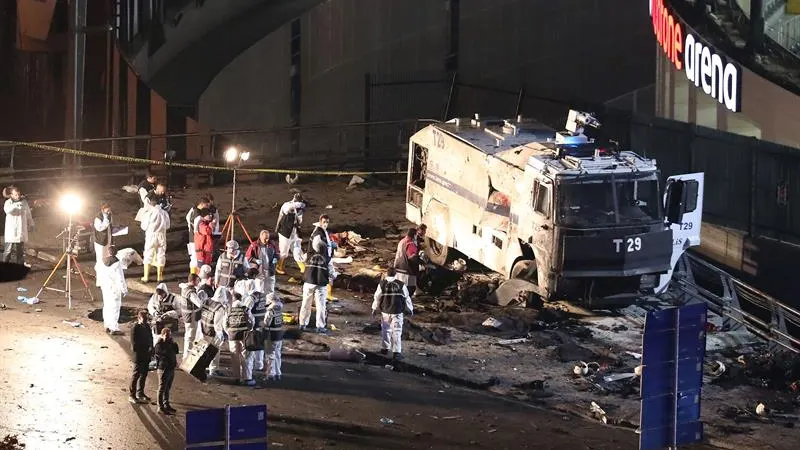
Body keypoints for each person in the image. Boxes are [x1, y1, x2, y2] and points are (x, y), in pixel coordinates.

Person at [371, 267, 414, 361]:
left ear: (387, 274)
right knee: (397, 332)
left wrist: (374, 309)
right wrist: (410, 309)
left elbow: (377, 297)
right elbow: (407, 298)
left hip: (385, 311)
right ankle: (396, 352)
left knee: (385, 330)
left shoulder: (382, 284)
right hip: (397, 311)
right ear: (395, 274)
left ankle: (385, 349)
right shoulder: (401, 284)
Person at [299, 215, 332, 333]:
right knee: (320, 304)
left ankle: (303, 323)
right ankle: (320, 326)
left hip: (310, 278)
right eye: (324, 222)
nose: (326, 224)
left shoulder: (311, 251)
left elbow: (303, 257)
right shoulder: (323, 249)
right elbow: (329, 263)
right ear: (320, 221)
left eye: (327, 222)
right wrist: (332, 275)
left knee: (306, 302)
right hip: (320, 279)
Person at [224, 292, 255, 385]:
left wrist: (230, 332)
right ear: (241, 299)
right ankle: (247, 378)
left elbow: (224, 324)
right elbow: (252, 322)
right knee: (246, 357)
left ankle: (236, 377)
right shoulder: (245, 309)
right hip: (244, 336)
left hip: (232, 336)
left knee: (234, 356)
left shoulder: (228, 310)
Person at [200, 286, 229, 377]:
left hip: (204, 329)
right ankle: (214, 369)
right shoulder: (219, 308)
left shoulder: (207, 301)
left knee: (204, 350)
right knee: (214, 351)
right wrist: (220, 334)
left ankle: (202, 368)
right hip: (212, 332)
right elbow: (217, 323)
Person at [141, 197, 171, 283]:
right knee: (161, 255)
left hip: (151, 235)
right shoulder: (164, 213)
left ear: (151, 204)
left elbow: (143, 226)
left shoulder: (148, 213)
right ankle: (159, 277)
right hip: (161, 235)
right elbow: (168, 225)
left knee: (148, 255)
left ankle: (146, 277)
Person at [98, 245, 127, 335]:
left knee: (107, 305)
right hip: (114, 288)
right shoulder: (117, 263)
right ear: (116, 253)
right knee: (115, 307)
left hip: (105, 287)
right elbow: (120, 278)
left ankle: (107, 325)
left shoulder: (102, 261)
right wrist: (124, 290)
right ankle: (114, 328)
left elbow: (97, 270)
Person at [275, 193, 306, 274]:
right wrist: (300, 205)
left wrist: (299, 213)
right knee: (284, 251)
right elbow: (287, 210)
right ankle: (279, 266)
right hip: (285, 231)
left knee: (297, 248)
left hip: (294, 231)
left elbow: (300, 221)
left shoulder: (299, 209)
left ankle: (302, 267)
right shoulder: (287, 205)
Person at [2, 186, 34, 265]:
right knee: (8, 251)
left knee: (20, 251)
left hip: (20, 231)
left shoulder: (24, 202)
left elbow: (28, 214)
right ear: (11, 195)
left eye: (19, 194)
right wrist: (15, 205)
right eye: (16, 195)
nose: (18, 196)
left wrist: (31, 223)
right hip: (11, 231)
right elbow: (7, 211)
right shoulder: (8, 203)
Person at [177, 274, 205, 355]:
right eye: (197, 280)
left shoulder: (185, 288)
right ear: (193, 281)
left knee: (188, 336)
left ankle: (187, 355)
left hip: (187, 317)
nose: (198, 282)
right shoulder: (190, 292)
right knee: (191, 337)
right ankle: (187, 357)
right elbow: (199, 303)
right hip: (192, 317)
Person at [130, 310, 154, 404]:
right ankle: (132, 395)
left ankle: (140, 393)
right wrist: (143, 349)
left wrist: (151, 348)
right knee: (136, 375)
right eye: (143, 319)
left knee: (144, 374)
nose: (145, 321)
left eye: (146, 319)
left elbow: (150, 338)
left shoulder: (147, 326)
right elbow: (134, 343)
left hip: (146, 355)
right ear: (139, 318)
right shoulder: (135, 328)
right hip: (139, 355)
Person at [153, 327, 179, 415]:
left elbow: (176, 351)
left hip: (171, 368)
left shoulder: (171, 343)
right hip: (163, 369)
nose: (168, 337)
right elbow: (164, 354)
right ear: (162, 335)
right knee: (162, 388)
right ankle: (160, 407)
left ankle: (166, 404)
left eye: (170, 335)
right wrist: (169, 345)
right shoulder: (159, 345)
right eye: (167, 335)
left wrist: (173, 343)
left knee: (167, 388)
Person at [246, 230, 278, 295]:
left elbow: (277, 253)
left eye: (268, 238)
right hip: (259, 272)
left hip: (270, 271)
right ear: (260, 237)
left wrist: (276, 258)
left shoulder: (272, 244)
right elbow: (248, 257)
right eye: (265, 238)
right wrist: (255, 260)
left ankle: (269, 302)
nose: (267, 240)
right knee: (259, 289)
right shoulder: (254, 245)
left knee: (270, 289)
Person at [393, 228, 422, 297]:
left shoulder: (402, 241)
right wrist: (422, 262)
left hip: (398, 268)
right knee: (410, 290)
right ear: (414, 235)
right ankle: (406, 305)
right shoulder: (410, 243)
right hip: (408, 271)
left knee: (401, 289)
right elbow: (412, 257)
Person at [263, 292, 285, 381]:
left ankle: (271, 374)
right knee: (277, 354)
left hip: (271, 335)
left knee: (270, 354)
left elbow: (267, 323)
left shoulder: (270, 311)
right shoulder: (280, 309)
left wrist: (262, 325)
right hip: (279, 335)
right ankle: (278, 373)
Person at [186, 197, 209, 275]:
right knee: (195, 258)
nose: (207, 208)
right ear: (202, 204)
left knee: (193, 257)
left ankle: (193, 275)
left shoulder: (192, 210)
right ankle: (194, 275)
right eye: (206, 206)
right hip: (196, 239)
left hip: (192, 237)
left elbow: (187, 218)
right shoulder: (197, 214)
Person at [93, 202, 114, 268]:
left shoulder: (109, 214)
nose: (109, 212)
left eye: (109, 210)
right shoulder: (98, 218)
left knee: (107, 255)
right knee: (101, 257)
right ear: (103, 210)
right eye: (107, 211)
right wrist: (105, 219)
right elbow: (100, 228)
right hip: (100, 241)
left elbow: (110, 224)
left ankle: (106, 270)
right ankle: (100, 271)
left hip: (108, 239)